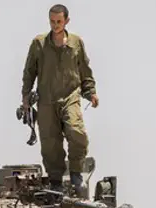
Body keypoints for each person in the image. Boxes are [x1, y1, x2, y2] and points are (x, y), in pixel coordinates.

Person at [21, 4, 98, 195]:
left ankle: (76, 173)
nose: (55, 25)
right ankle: (55, 181)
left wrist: (91, 92)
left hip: (71, 96)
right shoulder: (39, 43)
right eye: (52, 21)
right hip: (46, 99)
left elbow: (85, 71)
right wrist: (25, 96)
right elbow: (29, 71)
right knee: (50, 141)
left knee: (77, 132)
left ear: (66, 21)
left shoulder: (76, 42)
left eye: (59, 21)